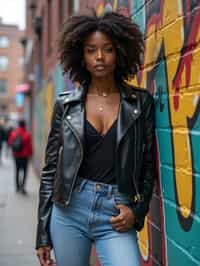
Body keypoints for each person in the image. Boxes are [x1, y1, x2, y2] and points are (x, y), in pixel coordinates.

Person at [36, 10, 156, 266]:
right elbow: (50, 172)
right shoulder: (65, 106)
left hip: (115, 212)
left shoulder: (140, 103)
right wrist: (42, 234)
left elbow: (148, 166)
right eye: (91, 50)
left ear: (120, 52)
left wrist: (136, 212)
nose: (99, 57)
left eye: (107, 49)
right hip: (69, 210)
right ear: (81, 55)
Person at [8, 119, 32, 194]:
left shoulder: (14, 133)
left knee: (17, 170)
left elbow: (10, 143)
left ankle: (17, 187)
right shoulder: (27, 134)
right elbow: (30, 146)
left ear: (19, 125)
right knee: (24, 172)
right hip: (25, 156)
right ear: (25, 125)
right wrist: (30, 154)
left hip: (16, 156)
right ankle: (23, 187)